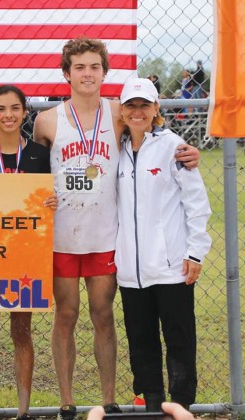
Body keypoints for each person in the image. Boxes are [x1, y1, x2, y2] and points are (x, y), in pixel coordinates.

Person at [33, 37, 201, 420]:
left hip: (106, 234)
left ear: (105, 73)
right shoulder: (47, 121)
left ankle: (109, 398)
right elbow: (31, 167)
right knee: (66, 315)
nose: (87, 73)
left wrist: (187, 152)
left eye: (94, 66)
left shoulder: (118, 115)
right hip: (62, 235)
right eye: (79, 67)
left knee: (103, 314)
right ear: (66, 73)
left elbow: (153, 133)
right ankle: (66, 399)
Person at [116, 78, 211, 412]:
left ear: (156, 109)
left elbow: (197, 205)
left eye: (144, 105)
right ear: (122, 110)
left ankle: (182, 404)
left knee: (179, 339)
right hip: (131, 270)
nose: (138, 112)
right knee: (141, 341)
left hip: (172, 267)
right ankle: (152, 403)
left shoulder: (175, 148)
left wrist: (195, 252)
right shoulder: (118, 149)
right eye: (131, 105)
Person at [0, 85, 57, 420]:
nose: (8, 115)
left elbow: (48, 198)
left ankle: (23, 411)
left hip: (26, 256)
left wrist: (52, 202)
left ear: (24, 113)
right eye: (1, 109)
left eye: (15, 108)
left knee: (22, 331)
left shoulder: (39, 154)